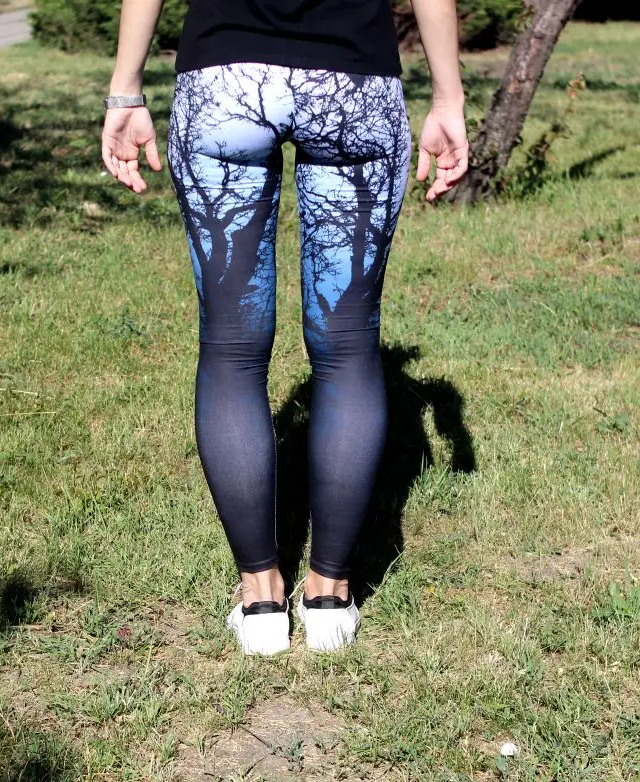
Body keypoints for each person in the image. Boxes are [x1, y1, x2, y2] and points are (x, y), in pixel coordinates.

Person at [101, 0, 469, 655]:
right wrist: (448, 97)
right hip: (353, 84)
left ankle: (261, 600)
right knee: (349, 349)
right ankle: (329, 595)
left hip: (224, 81)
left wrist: (126, 89)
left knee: (231, 350)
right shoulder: (433, 389)